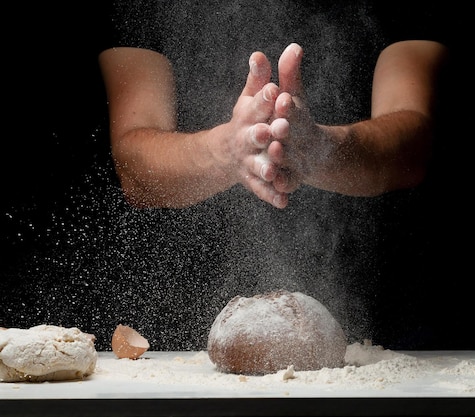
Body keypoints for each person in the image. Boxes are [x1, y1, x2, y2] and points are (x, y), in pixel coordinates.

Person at [95, 0, 449, 350]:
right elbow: (134, 170)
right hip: (169, 333)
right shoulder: (143, 6)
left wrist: (321, 150)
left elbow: (415, 147)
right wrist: (229, 151)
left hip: (385, 328)